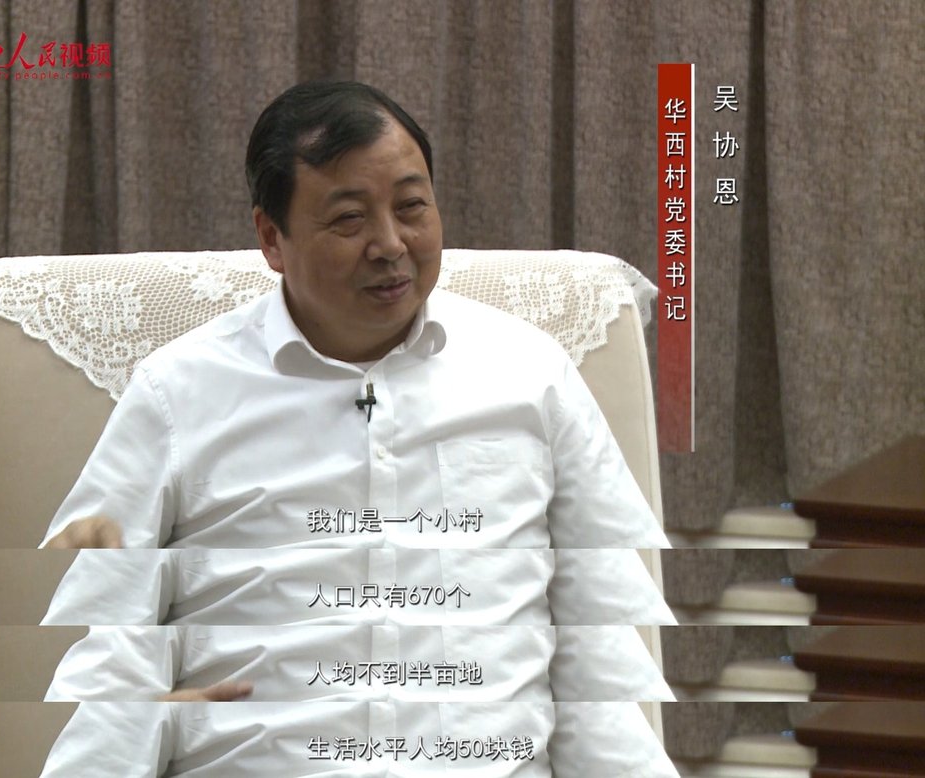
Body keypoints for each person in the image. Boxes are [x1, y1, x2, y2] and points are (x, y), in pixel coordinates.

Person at [38, 81, 678, 777]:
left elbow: (597, 654)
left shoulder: (532, 375)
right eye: (348, 219)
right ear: (271, 238)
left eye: (412, 207)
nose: (391, 244)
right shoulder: (177, 395)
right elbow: (115, 654)